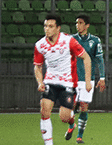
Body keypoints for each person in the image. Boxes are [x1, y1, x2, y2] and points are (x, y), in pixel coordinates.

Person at [34, 13, 92, 144]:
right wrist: (40, 82)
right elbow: (37, 66)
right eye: (45, 26)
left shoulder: (68, 41)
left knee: (64, 117)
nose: (47, 29)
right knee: (44, 111)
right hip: (50, 82)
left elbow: (86, 58)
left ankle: (71, 123)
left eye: (50, 26)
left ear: (58, 28)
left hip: (68, 84)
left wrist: (88, 81)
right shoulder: (40, 45)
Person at [72, 15, 106, 144]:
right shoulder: (72, 39)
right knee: (71, 106)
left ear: (87, 25)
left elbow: (99, 60)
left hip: (88, 79)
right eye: (76, 23)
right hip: (73, 79)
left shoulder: (95, 41)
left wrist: (102, 77)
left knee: (84, 106)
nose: (77, 25)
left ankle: (79, 136)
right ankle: (71, 126)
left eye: (80, 23)